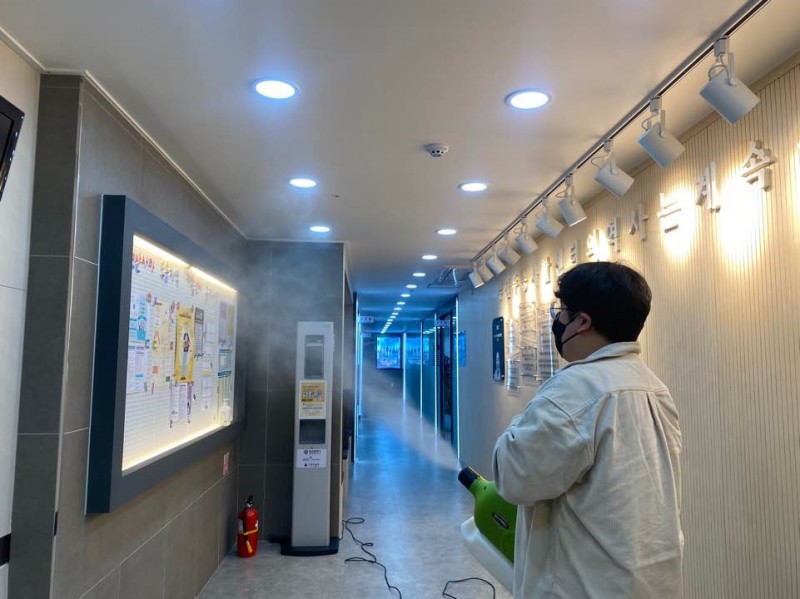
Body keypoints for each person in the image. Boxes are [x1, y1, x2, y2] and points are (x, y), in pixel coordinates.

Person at [492, 262, 683, 598]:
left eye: (562, 312)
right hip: (649, 583)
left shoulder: (575, 389)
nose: (557, 322)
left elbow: (513, 477)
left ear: (582, 322)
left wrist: (521, 422)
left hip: (583, 586)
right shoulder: (654, 387)